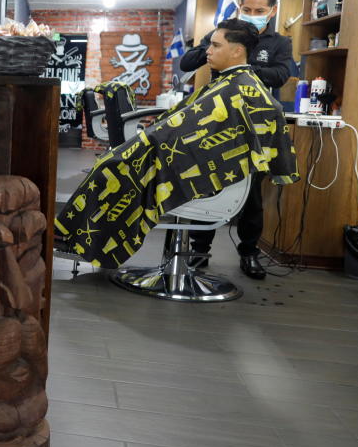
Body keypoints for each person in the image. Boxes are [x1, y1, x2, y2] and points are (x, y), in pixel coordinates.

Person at [54, 19, 299, 269]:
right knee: (112, 164)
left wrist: (150, 141)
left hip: (205, 178)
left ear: (237, 51)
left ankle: (80, 239)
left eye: (215, 45)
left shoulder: (240, 87)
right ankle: (76, 237)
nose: (208, 51)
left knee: (112, 168)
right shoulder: (234, 83)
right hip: (197, 165)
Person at [178, 0, 296, 279]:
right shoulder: (224, 33)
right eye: (247, 8)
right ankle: (198, 252)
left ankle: (248, 254)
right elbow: (186, 62)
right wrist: (215, 44)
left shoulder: (279, 43)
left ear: (272, 11)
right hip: (217, 123)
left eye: (259, 9)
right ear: (239, 7)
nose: (252, 13)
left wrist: (239, 63)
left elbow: (281, 75)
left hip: (255, 128)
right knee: (207, 185)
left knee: (251, 194)